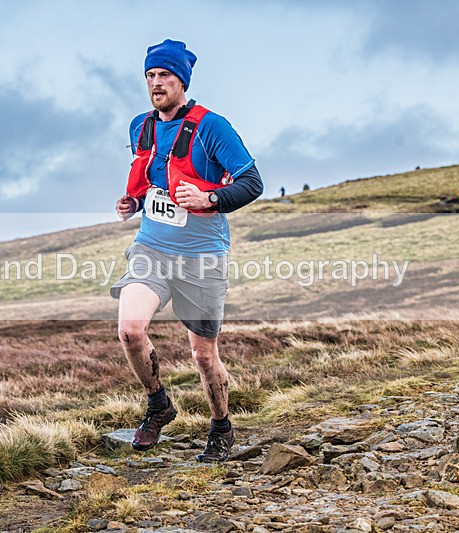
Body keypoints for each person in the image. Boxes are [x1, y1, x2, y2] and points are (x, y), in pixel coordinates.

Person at [112, 39, 263, 463]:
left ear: (182, 81)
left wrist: (210, 200)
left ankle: (221, 426)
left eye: (165, 76)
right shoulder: (139, 126)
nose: (156, 84)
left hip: (202, 256)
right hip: (152, 248)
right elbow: (156, 185)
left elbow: (252, 183)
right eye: (150, 76)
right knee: (130, 330)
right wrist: (134, 203)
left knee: (202, 354)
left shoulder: (213, 127)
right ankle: (159, 404)